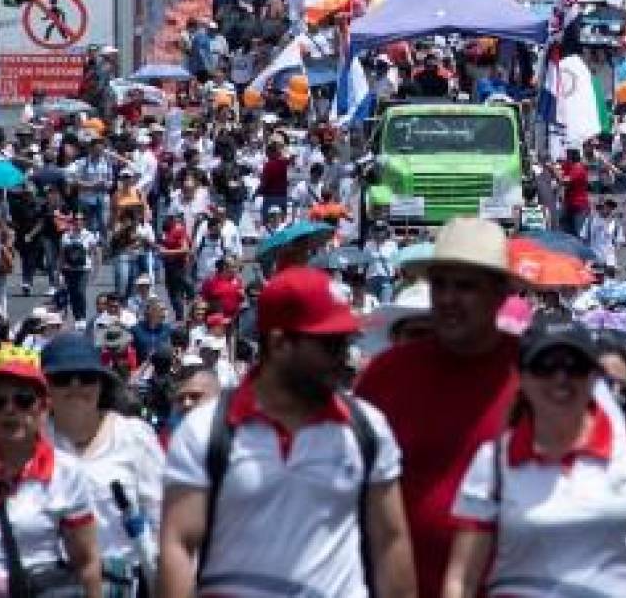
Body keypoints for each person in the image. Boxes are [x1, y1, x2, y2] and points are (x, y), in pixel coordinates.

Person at [158, 266, 418, 598]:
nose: (344, 357)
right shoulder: (205, 431)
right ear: (280, 344)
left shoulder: (367, 429)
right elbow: (179, 545)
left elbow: (390, 541)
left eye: (345, 343)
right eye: (330, 345)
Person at [443, 313, 626, 598]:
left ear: (593, 376)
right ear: (522, 377)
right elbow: (462, 578)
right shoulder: (493, 462)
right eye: (545, 366)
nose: (561, 378)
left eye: (574, 366)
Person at [354, 218, 521, 595]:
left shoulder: (535, 377)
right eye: (440, 284)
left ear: (500, 294)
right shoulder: (387, 374)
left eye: (465, 286)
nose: (447, 298)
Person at [42, 333, 165, 594]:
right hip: (48, 585)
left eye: (86, 378)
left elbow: (161, 522)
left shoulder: (134, 436)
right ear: (46, 388)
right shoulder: (32, 439)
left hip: (118, 584)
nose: (76, 387)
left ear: (101, 384)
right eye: (63, 379)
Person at [0, 345, 102, 598]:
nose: (10, 410)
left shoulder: (66, 472)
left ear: (44, 408)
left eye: (23, 400)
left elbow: (87, 562)